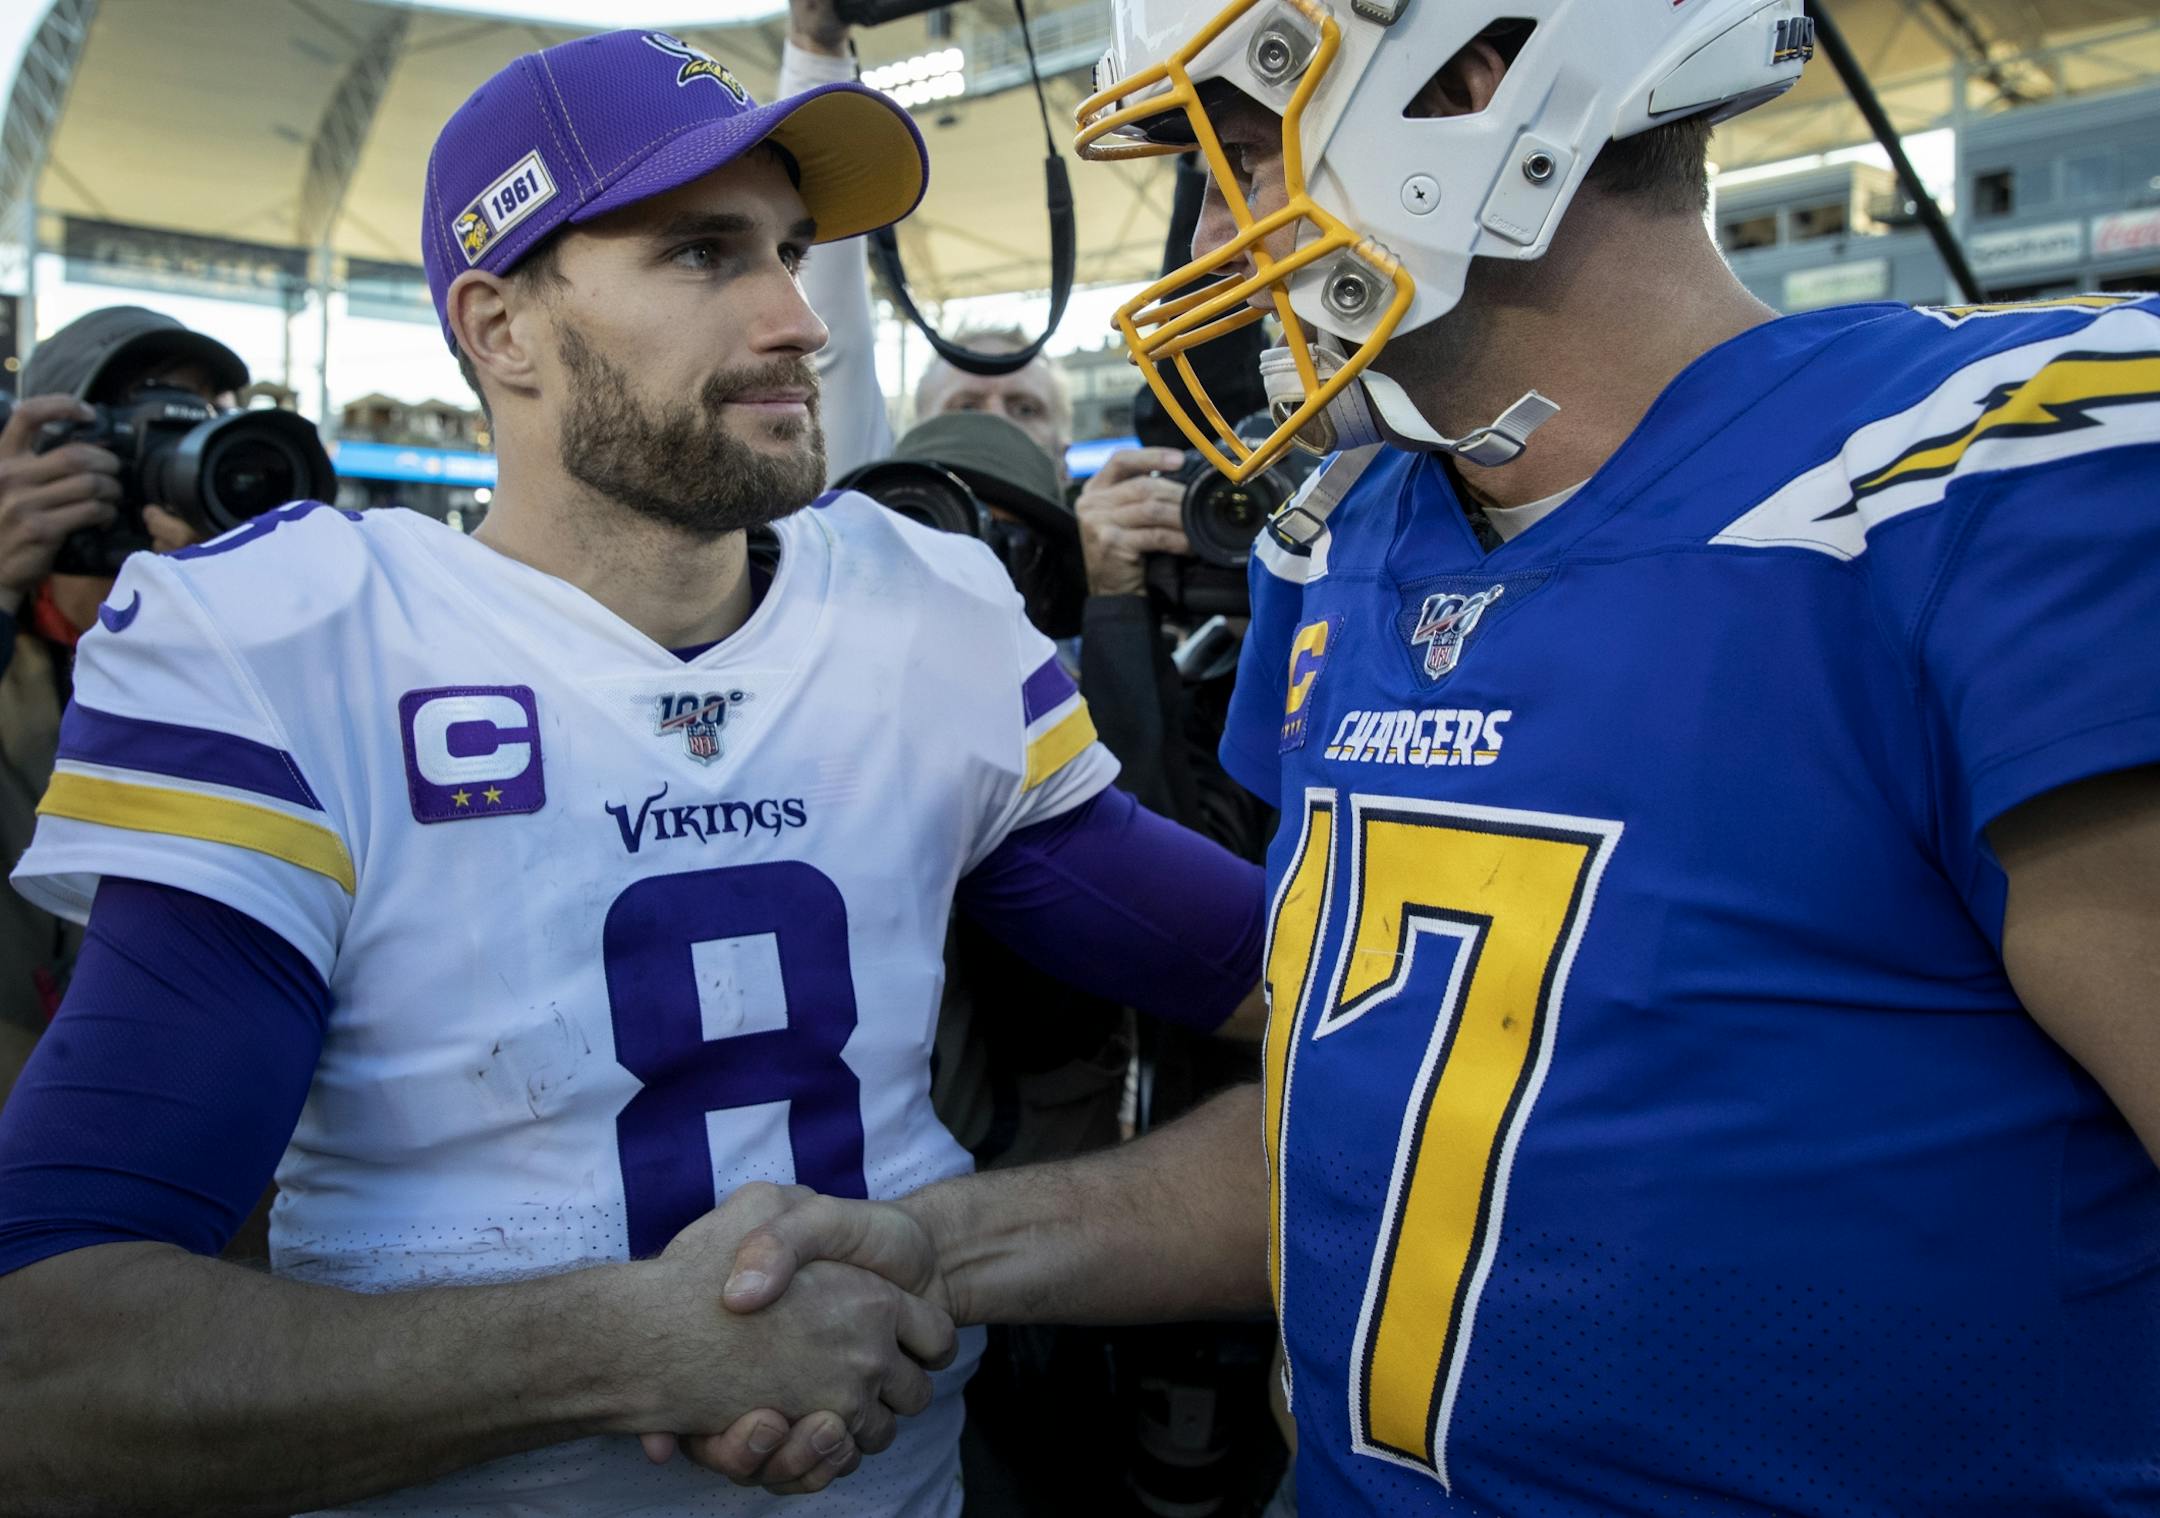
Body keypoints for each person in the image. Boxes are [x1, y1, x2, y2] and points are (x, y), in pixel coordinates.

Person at [671, 1, 2160, 1512]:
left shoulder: (1986, 490)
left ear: (1478, 87)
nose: (1203, 230)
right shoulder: (1354, 535)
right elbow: (1399, 1118)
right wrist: (943, 1247)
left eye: (1241, 152)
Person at [0, 28, 1267, 1516]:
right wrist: (627, 1348)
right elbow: (50, 1364)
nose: (801, 318)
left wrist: (941, 1243)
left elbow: (1335, 1005)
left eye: (791, 251)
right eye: (700, 253)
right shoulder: (300, 642)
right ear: (502, 326)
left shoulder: (920, 612)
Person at [0, 308, 244, 1093]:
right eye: (133, 422)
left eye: (195, 422)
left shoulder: (241, 647)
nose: (162, 456)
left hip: (181, 1108)